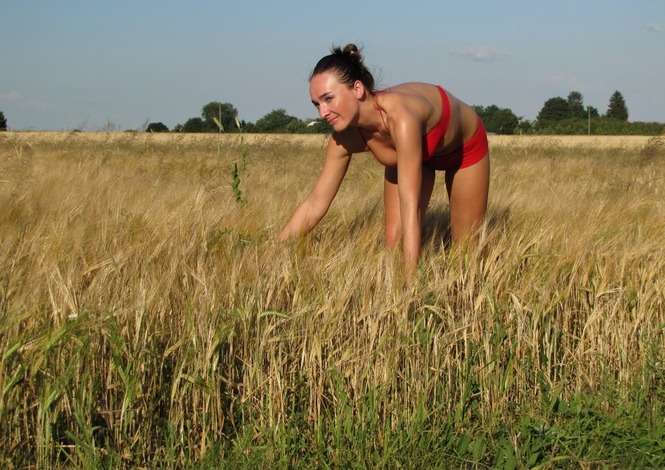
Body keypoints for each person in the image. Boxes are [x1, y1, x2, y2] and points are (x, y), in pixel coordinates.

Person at [278, 44, 490, 279]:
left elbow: (410, 208)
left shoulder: (400, 117)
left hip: (462, 149)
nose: (322, 113)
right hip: (412, 155)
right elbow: (315, 204)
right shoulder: (344, 138)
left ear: (357, 89)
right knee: (394, 243)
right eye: (317, 104)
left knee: (467, 252)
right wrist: (273, 252)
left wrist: (409, 287)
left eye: (328, 99)